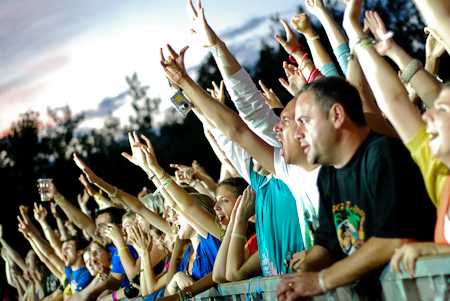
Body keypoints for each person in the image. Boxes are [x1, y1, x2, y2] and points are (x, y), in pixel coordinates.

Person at [275, 75, 436, 299]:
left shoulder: (383, 155)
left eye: (305, 121)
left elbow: (393, 240)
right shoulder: (328, 174)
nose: (296, 133)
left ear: (337, 116)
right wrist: (301, 276)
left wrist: (320, 280)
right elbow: (326, 245)